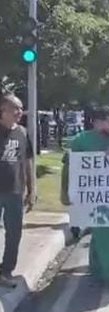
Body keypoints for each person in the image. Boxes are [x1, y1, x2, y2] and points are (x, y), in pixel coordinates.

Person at [61, 106, 109, 293]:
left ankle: (97, 272)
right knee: (108, 237)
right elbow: (71, 167)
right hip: (92, 197)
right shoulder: (80, 140)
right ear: (97, 122)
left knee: (100, 236)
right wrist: (67, 193)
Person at [0, 94, 34, 288]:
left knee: (14, 233)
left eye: (21, 108)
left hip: (15, 191)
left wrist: (31, 188)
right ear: (3, 110)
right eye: (15, 109)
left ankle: (6, 271)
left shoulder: (22, 132)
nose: (19, 112)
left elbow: (28, 161)